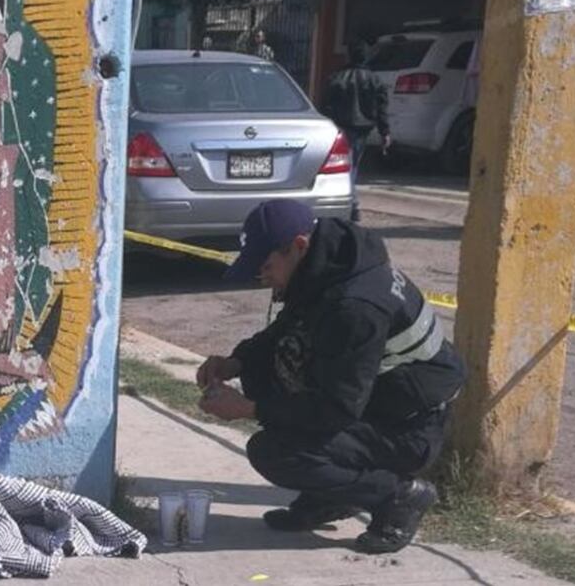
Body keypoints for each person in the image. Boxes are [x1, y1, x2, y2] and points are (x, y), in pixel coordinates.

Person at [197, 199, 466, 554]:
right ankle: (330, 495)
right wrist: (236, 362)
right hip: (380, 401)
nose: (261, 276)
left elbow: (335, 409)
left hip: (410, 427)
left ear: (298, 246)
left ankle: (398, 496)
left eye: (266, 264)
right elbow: (288, 328)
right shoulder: (330, 266)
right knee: (263, 371)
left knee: (276, 452)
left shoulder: (355, 307)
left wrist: (250, 409)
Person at [322, 40, 390, 222]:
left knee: (347, 167)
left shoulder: (337, 77)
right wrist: (385, 132)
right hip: (362, 129)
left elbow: (325, 105)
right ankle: (352, 204)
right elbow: (382, 108)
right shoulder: (375, 80)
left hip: (341, 126)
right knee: (352, 166)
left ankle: (350, 203)